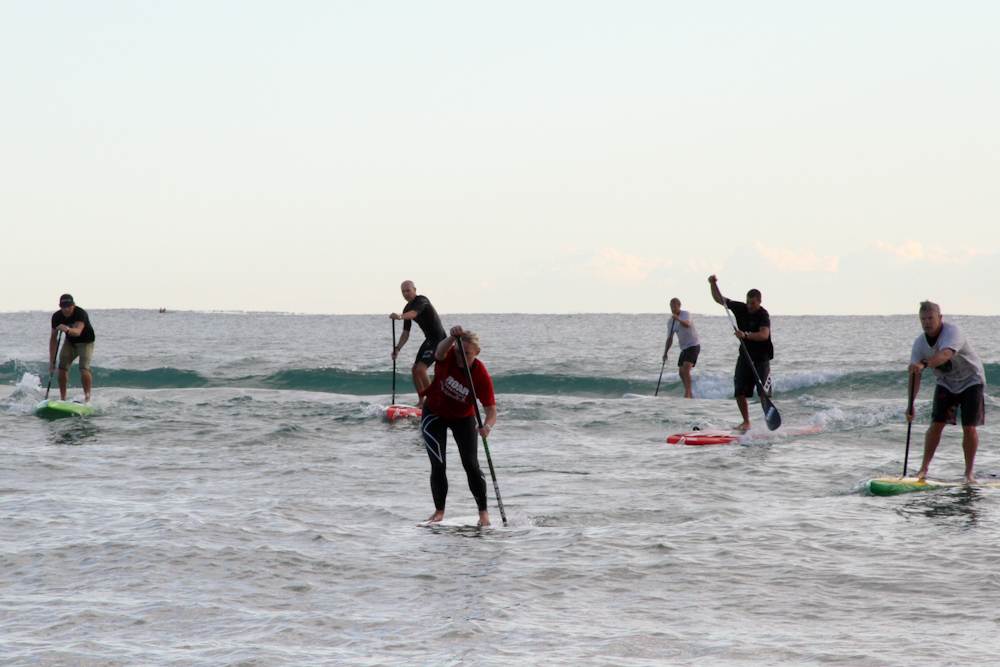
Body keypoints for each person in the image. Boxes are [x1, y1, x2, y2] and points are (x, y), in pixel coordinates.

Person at [419, 326, 497, 527]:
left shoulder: (481, 375)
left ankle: (483, 514)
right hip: (434, 414)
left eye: (467, 354)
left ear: (477, 352)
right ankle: (439, 512)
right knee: (438, 463)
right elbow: (439, 352)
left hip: (463, 418)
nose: (461, 357)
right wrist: (452, 338)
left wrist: (487, 427)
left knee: (471, 464)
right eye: (459, 352)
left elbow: (491, 411)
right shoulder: (448, 356)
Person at [907, 301, 986, 484]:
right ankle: (923, 469)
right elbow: (915, 374)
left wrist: (924, 364)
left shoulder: (952, 332)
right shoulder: (919, 343)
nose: (927, 322)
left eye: (930, 318)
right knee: (936, 425)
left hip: (971, 380)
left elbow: (945, 355)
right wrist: (910, 404)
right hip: (947, 382)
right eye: (923, 319)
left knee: (969, 427)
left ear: (940, 318)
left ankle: (969, 474)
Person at [708, 275, 773, 430]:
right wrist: (712, 284)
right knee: (739, 390)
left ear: (759, 302)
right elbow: (719, 299)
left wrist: (745, 335)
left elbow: (764, 335)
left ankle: (770, 421)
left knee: (763, 393)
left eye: (753, 303)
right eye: (748, 302)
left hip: (761, 358)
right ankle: (746, 422)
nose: (749, 306)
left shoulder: (763, 315)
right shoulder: (741, 308)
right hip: (745, 356)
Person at [390, 281, 446, 408]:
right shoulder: (406, 309)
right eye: (403, 291)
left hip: (439, 340)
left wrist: (400, 316)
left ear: (414, 290)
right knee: (414, 370)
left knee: (421, 369)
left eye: (408, 290)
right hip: (429, 340)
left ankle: (433, 399)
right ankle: (422, 401)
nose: (406, 293)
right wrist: (397, 348)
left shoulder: (422, 300)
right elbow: (406, 333)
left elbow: (414, 314)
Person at [49, 293, 97, 402]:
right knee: (62, 368)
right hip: (70, 342)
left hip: (86, 342)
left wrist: (66, 329)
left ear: (73, 305)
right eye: (63, 307)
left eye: (69, 306)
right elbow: (53, 339)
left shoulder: (80, 313)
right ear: (60, 306)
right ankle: (63, 399)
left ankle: (87, 399)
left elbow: (78, 331)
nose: (66, 309)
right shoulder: (56, 317)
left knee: (84, 368)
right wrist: (52, 361)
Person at [668, 297, 700, 399]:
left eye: (674, 306)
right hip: (684, 348)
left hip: (694, 345)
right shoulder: (670, 321)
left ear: (679, 306)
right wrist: (665, 353)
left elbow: (687, 324)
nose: (672, 308)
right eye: (671, 306)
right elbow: (669, 338)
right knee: (681, 372)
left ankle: (688, 394)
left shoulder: (686, 314)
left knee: (686, 369)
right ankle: (689, 392)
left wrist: (678, 319)